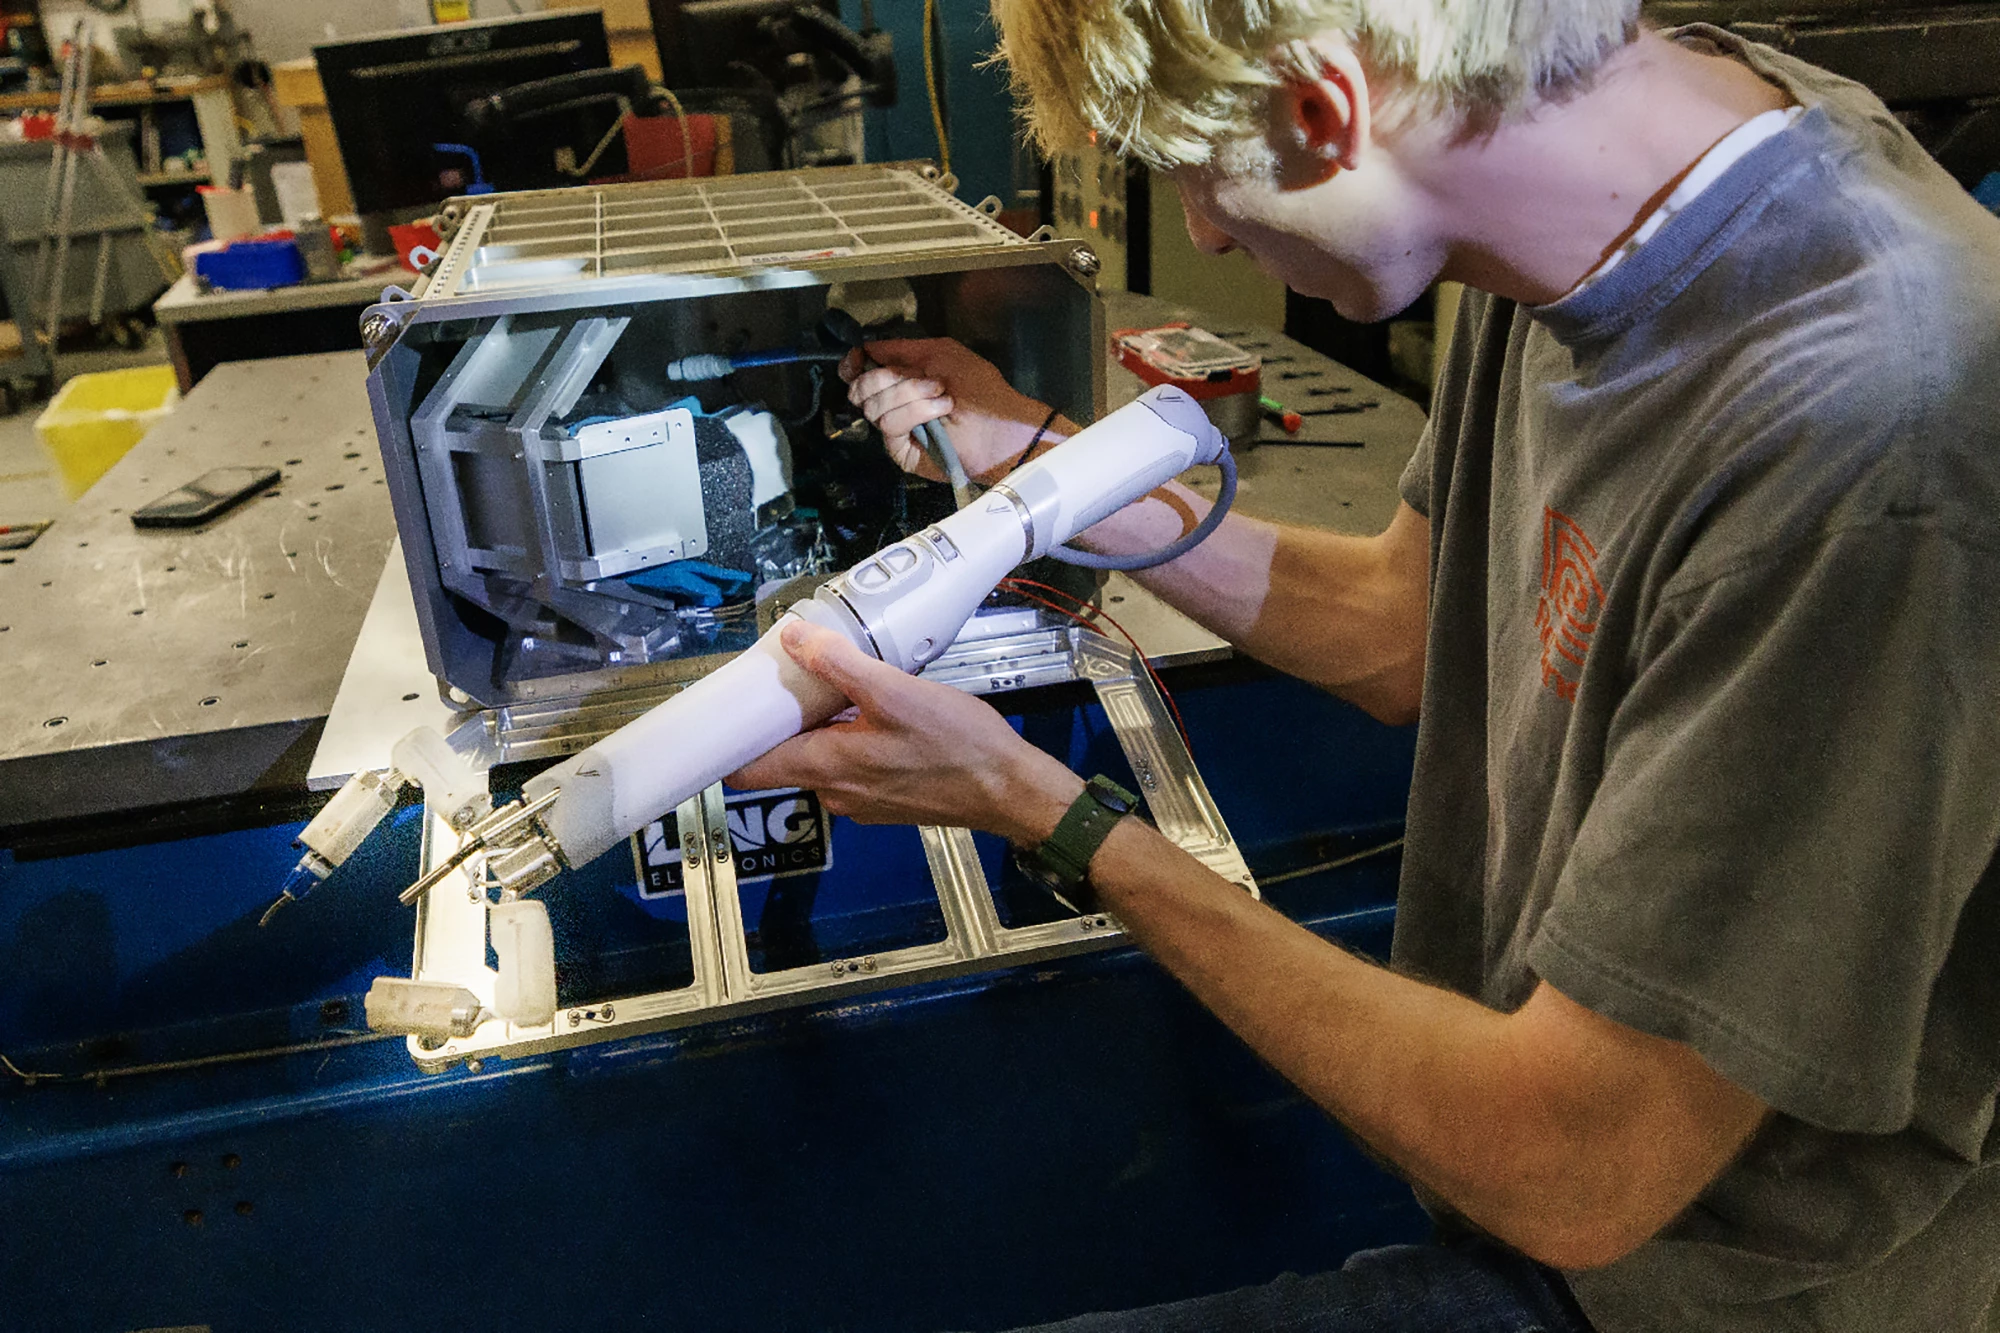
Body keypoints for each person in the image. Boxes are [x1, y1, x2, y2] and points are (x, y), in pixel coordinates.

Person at [729, 0, 2000, 1327]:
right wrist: (1047, 478)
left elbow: (1577, 1167)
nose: (1207, 231)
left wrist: (1045, 810)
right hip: (1548, 1190)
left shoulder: (1875, 449)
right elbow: (1407, 624)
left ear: (1328, 112)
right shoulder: (1587, 192)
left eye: (1192, 170)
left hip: (1712, 1291)